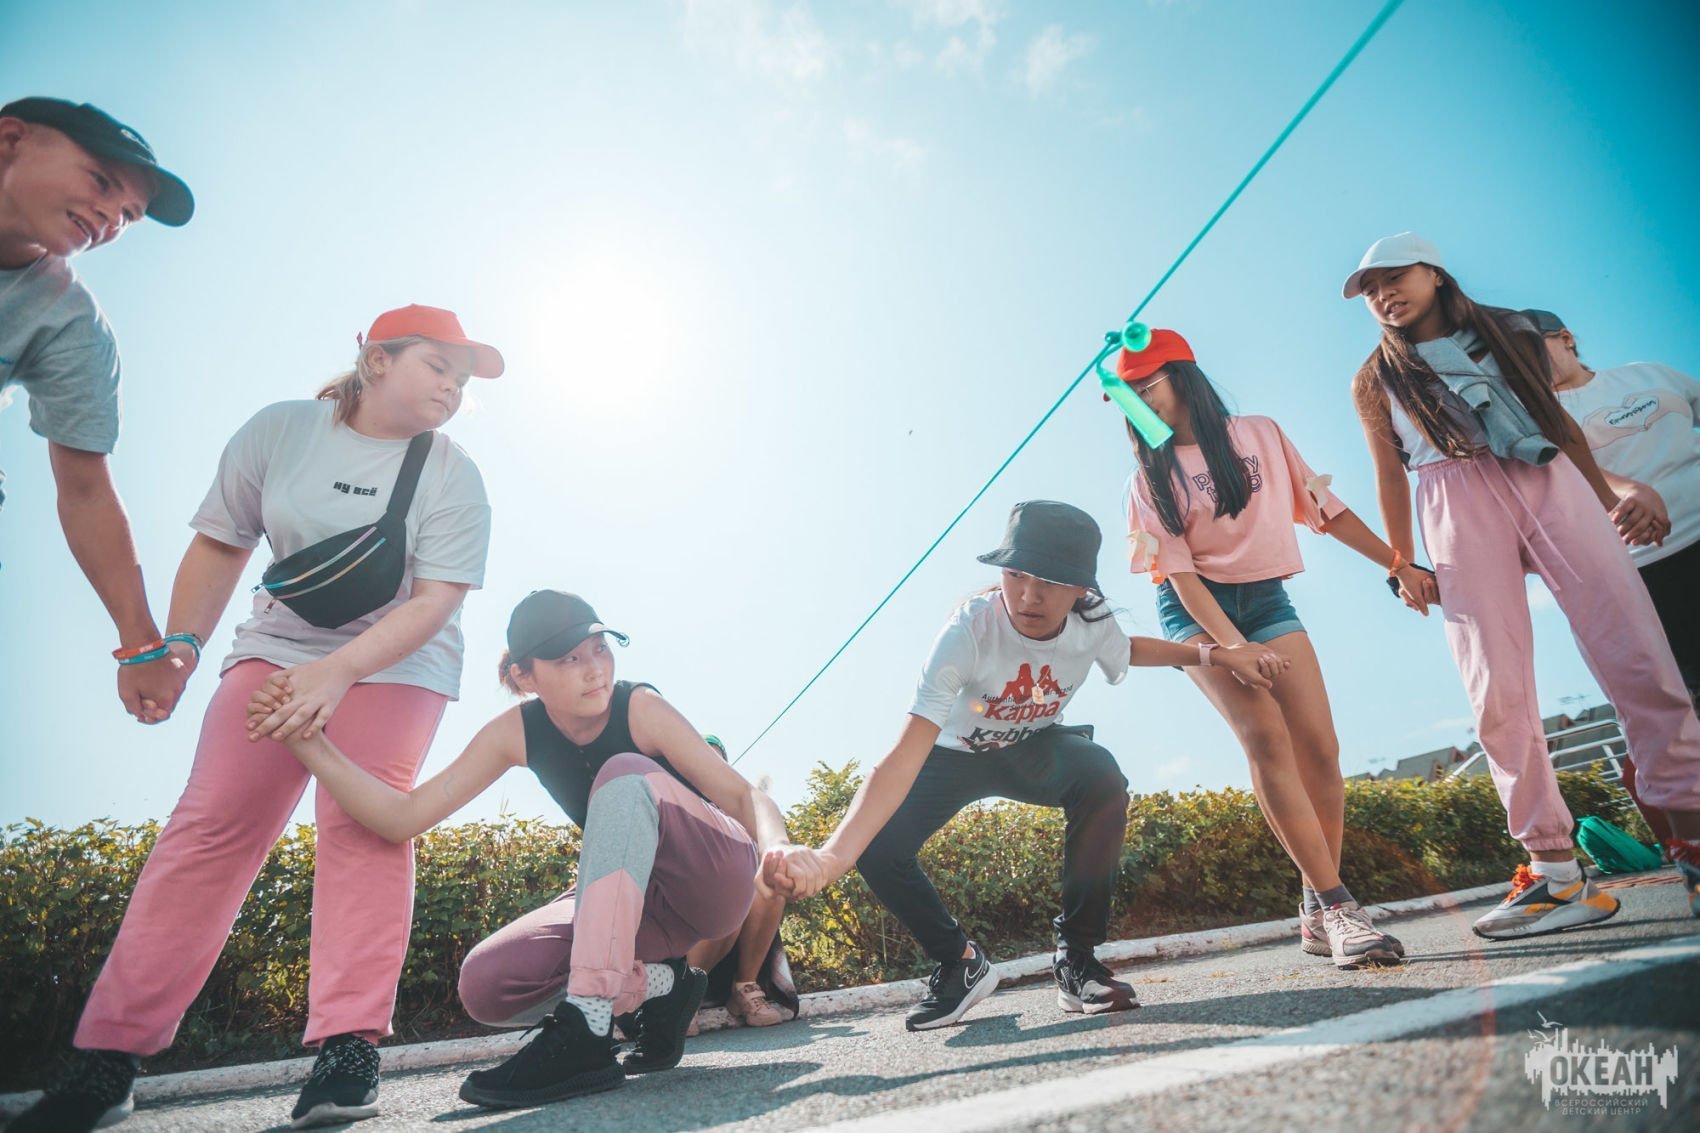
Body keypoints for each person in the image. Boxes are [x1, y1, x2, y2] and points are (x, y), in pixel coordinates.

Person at [10, 304, 500, 1132]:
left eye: (463, 378)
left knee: (364, 821)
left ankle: (348, 1050)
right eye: (438, 365)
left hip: (399, 657)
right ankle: (108, 1056)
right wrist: (179, 649)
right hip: (278, 644)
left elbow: (435, 601)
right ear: (377, 359)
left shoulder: (454, 472)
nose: (453, 387)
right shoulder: (280, 431)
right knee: (210, 823)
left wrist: (338, 674)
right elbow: (222, 543)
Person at [255, 590, 792, 1111]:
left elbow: (743, 795)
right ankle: (666, 986)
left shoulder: (640, 707)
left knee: (624, 774)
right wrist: (306, 740)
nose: (595, 670)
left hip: (715, 881)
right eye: (569, 659)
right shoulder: (515, 733)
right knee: (489, 983)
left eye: (600, 648)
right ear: (525, 676)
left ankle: (586, 1029)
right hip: (641, 906)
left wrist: (778, 849)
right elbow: (402, 818)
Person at [763, 500, 1286, 1031]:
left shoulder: (1091, 621)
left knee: (1101, 777)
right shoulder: (968, 632)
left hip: (1032, 747)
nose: (1029, 596)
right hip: (953, 754)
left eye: (1051, 583)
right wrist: (831, 859)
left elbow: (1129, 650)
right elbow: (901, 757)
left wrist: (1219, 654)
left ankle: (1077, 960)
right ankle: (960, 964)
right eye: (1016, 576)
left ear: (1080, 589)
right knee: (879, 847)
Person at [1343, 232, 1700, 930]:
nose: (1384, 295)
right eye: (1371, 290)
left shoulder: (1509, 333)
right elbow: (1389, 473)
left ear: (1435, 274)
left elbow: (1558, 425)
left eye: (1395, 277)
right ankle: (1556, 874)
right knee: (1496, 689)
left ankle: (1693, 847)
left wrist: (1608, 495)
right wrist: (1401, 561)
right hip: (1452, 502)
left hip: (1547, 479)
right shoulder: (1375, 377)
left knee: (1639, 659)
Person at [1120, 328, 1413, 969]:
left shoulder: (1259, 434)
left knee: (1320, 749)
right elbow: (1182, 579)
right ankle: (1340, 908)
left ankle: (1314, 905)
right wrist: (1233, 648)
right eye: (1127, 394)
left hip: (1267, 601)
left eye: (1146, 385)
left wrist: (1398, 563)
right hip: (1197, 613)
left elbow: (1327, 511)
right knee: (1267, 739)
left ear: (1182, 375)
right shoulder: (1149, 477)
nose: (1137, 400)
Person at [0, 96, 196, 724]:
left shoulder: (70, 323)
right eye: (102, 182)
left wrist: (142, 646)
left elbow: (86, 490)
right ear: (10, 140)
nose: (112, 217)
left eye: (129, 216)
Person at [680, 735, 796, 1030]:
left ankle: (745, 986)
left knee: (765, 884)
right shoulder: (670, 805)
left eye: (718, 763)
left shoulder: (737, 811)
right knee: (726, 888)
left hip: (734, 928)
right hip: (685, 926)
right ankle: (683, 999)